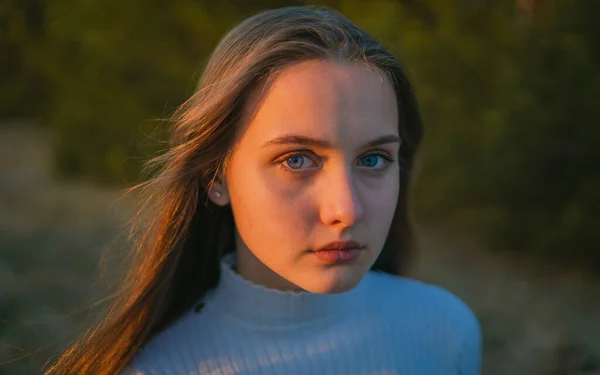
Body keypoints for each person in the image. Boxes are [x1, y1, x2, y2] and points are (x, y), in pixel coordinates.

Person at [46, 5, 482, 375]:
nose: (346, 210)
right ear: (216, 178)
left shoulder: (444, 332)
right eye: (296, 160)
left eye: (373, 159)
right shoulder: (157, 368)